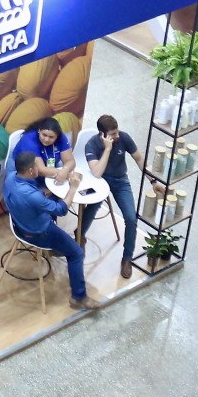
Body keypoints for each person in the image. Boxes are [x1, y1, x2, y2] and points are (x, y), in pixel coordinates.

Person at [3, 150, 102, 311]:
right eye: (36, 166)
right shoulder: (31, 196)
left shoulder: (11, 178)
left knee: (52, 199)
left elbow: (32, 198)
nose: (38, 168)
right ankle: (79, 297)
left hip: (19, 225)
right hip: (39, 233)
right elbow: (61, 210)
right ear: (30, 170)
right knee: (76, 253)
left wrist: (42, 196)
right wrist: (73, 188)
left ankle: (62, 249)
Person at [83, 114, 152, 279]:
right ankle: (79, 235)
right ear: (102, 134)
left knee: (131, 218)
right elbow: (97, 173)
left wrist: (153, 180)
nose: (117, 136)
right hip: (101, 181)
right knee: (91, 206)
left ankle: (127, 258)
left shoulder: (124, 138)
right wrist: (107, 148)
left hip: (121, 181)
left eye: (117, 132)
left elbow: (139, 159)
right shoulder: (91, 145)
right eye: (113, 134)